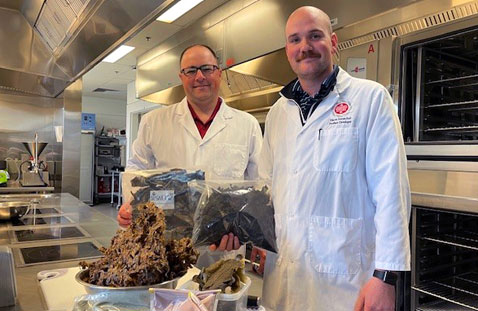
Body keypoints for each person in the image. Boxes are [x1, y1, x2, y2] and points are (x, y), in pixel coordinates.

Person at [258, 6, 411, 311]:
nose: (305, 47)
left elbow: (392, 193)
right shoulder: (278, 112)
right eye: (295, 39)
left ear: (333, 41)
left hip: (347, 284)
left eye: (315, 36)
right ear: (288, 49)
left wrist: (385, 277)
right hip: (284, 279)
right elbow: (265, 189)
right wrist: (252, 242)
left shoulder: (370, 99)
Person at [118, 44, 263, 245]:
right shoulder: (154, 122)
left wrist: (249, 230)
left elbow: (257, 185)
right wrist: (129, 207)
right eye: (191, 71)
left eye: (207, 68)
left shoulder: (247, 124)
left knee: (222, 277)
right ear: (181, 77)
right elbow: (137, 172)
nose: (199, 77)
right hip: (166, 243)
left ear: (219, 73)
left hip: (224, 245)